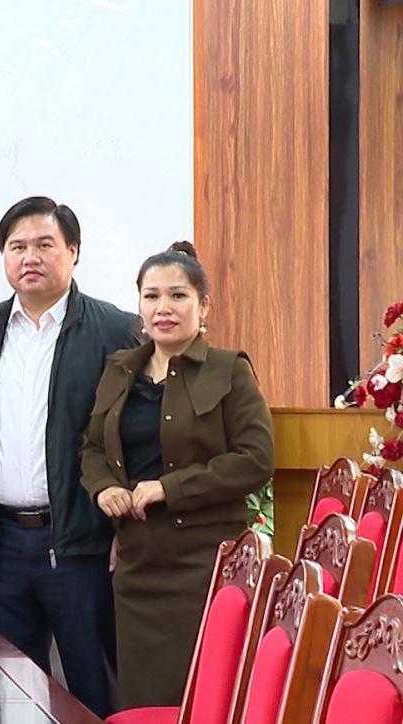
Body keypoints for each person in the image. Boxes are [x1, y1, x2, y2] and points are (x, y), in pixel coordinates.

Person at [0, 198, 138, 718]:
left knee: (91, 686)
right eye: (17, 246)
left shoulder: (115, 331)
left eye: (44, 244)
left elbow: (137, 436)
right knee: (11, 692)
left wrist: (127, 527)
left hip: (82, 543)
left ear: (73, 250)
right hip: (2, 546)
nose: (30, 257)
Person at [81, 241, 274, 710]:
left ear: (203, 306)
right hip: (137, 566)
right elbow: (92, 447)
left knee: (200, 701)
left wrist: (169, 488)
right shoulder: (120, 370)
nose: (163, 308)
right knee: (141, 702)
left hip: (204, 565)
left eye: (178, 295)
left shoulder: (230, 370)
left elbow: (255, 459)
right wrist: (103, 488)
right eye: (151, 296)